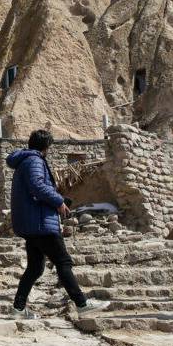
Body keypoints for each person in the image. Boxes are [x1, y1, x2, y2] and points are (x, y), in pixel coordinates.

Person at [7, 129, 110, 319]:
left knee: (35, 268)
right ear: (47, 147)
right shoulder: (35, 161)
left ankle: (18, 309)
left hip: (32, 223)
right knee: (63, 261)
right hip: (40, 222)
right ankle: (82, 304)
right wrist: (59, 201)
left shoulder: (24, 161)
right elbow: (37, 186)